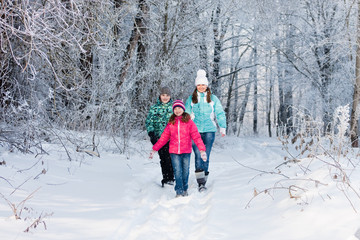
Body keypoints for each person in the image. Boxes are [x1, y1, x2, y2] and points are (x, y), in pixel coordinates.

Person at [149, 100, 207, 197]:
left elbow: (196, 137)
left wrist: (202, 150)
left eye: (179, 108)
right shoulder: (171, 123)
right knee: (177, 171)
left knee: (185, 171)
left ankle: (185, 189)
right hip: (174, 152)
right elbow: (163, 138)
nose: (177, 110)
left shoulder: (189, 122)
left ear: (183, 109)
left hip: (186, 151)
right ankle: (179, 191)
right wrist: (155, 149)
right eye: (175, 108)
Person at [185, 69, 227, 192]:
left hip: (209, 131)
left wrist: (222, 127)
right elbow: (185, 113)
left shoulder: (213, 98)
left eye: (203, 84)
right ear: (196, 86)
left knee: (205, 156)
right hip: (195, 131)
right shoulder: (191, 99)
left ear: (206, 85)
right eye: (199, 85)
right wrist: (188, 120)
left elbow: (219, 113)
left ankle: (204, 180)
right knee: (198, 155)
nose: (201, 87)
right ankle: (200, 183)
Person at [145, 86, 175, 187]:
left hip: (172, 138)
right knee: (163, 158)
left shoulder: (174, 108)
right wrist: (151, 134)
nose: (165, 97)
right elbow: (149, 122)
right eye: (163, 95)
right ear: (160, 96)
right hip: (159, 138)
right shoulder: (154, 108)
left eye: (167, 95)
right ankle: (165, 178)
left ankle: (171, 178)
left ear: (170, 96)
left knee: (171, 158)